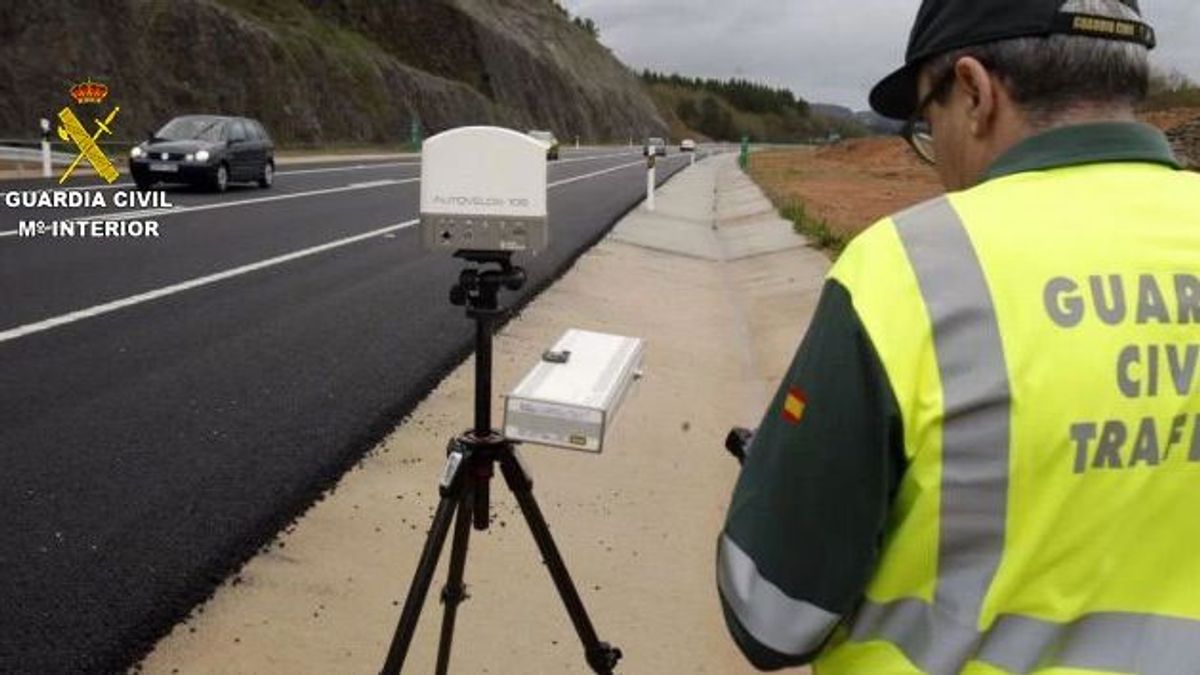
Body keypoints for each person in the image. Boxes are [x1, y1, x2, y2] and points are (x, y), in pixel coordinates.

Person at [717, 0, 1200, 672]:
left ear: (974, 91)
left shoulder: (909, 270)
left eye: (926, 121)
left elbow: (770, 612)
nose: (933, 151)